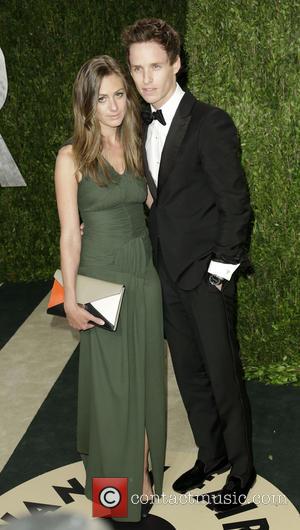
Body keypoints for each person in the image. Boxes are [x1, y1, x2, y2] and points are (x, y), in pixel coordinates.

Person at [121, 18, 256, 510]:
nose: (146, 79)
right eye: (137, 69)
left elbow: (235, 203)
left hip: (205, 276)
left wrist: (220, 272)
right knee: (190, 376)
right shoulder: (138, 124)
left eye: (155, 66)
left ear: (177, 63)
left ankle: (242, 471)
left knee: (223, 376)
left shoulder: (210, 122)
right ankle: (211, 456)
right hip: (165, 276)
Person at [54, 55, 166, 522]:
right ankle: (116, 490)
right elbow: (69, 235)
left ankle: (140, 471)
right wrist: (72, 300)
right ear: (87, 103)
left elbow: (153, 203)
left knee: (145, 382)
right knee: (111, 390)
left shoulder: (137, 145)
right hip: (101, 282)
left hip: (144, 277)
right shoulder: (71, 158)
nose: (115, 105)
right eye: (103, 98)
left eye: (120, 94)